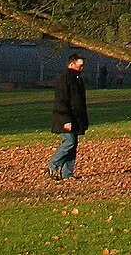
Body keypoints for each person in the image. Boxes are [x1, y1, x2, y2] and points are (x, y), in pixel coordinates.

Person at [47, 52, 88, 180]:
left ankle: (67, 174)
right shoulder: (64, 79)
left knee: (73, 145)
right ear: (71, 64)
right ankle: (53, 165)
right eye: (80, 66)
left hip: (76, 119)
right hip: (65, 119)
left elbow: (80, 102)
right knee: (69, 142)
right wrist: (66, 120)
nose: (82, 68)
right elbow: (61, 101)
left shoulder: (78, 79)